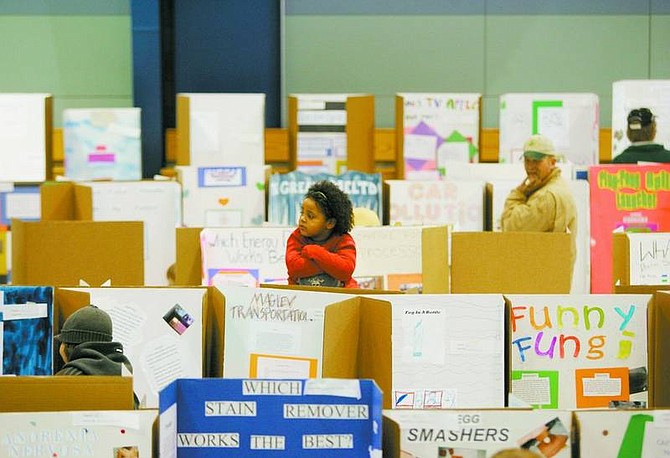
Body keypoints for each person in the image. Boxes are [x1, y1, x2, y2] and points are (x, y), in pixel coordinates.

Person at [501, 134, 578, 267]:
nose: (530, 167)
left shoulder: (546, 197)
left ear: (552, 162)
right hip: (553, 276)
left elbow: (510, 227)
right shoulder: (556, 186)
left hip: (540, 278)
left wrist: (519, 193)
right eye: (527, 160)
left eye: (536, 161)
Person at [286, 180, 358, 288]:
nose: (302, 219)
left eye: (310, 216)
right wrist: (332, 265)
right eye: (302, 213)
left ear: (330, 223)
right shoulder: (296, 237)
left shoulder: (343, 240)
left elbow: (345, 271)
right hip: (302, 296)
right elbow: (294, 268)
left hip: (339, 297)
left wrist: (314, 251)